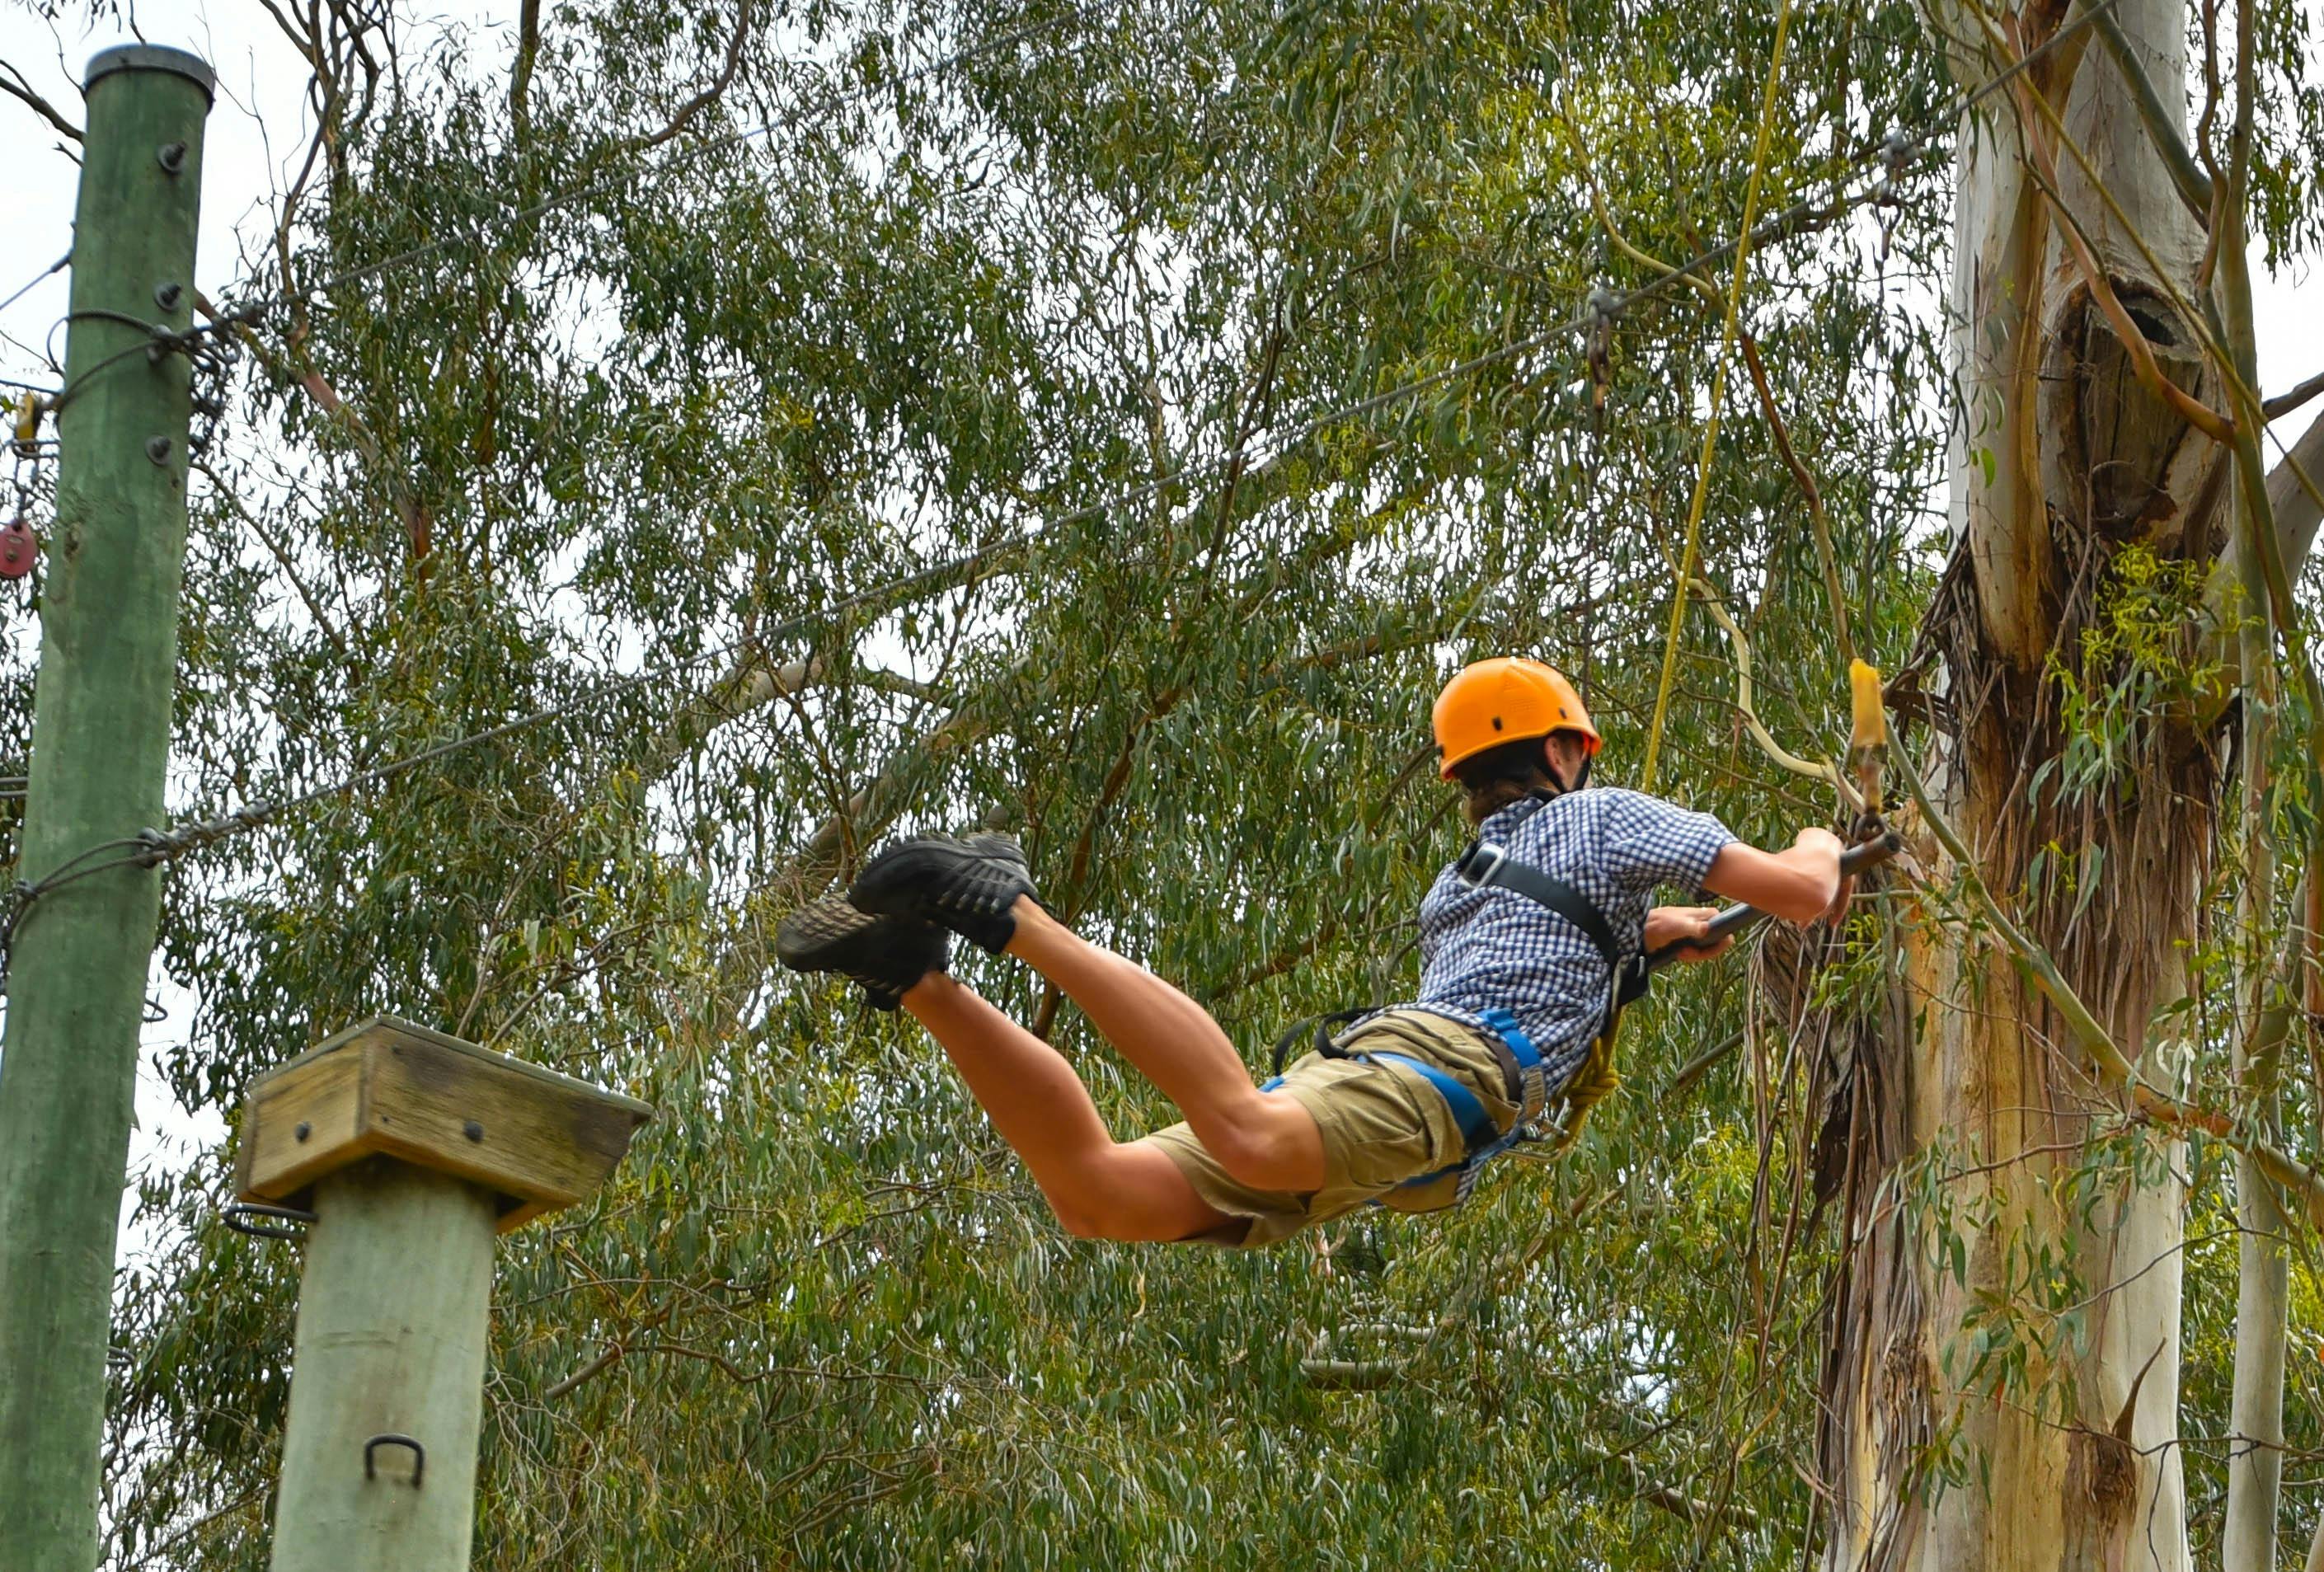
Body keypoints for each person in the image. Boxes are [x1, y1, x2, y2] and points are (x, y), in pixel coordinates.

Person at [776, 657, 1852, 1248]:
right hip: (1456, 1070)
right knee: (1243, 1129)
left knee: (1102, 1197)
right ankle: (1010, 911)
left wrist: (1653, 936)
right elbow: (1802, 895)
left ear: (1466, 780)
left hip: (1403, 1062)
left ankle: (916, 976)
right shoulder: (1610, 817)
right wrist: (1825, 837)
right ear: (1568, 748)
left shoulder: (1466, 880)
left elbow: (1563, 938)